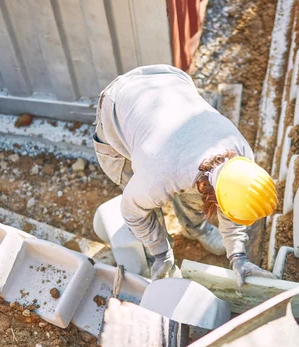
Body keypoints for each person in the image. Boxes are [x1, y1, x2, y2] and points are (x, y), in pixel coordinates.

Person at [93, 64, 277, 287]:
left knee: (192, 193)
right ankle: (155, 254)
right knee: (138, 195)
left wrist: (238, 256)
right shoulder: (159, 175)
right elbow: (132, 212)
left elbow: (234, 201)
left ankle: (194, 230)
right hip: (119, 103)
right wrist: (160, 253)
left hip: (172, 83)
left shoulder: (241, 155)